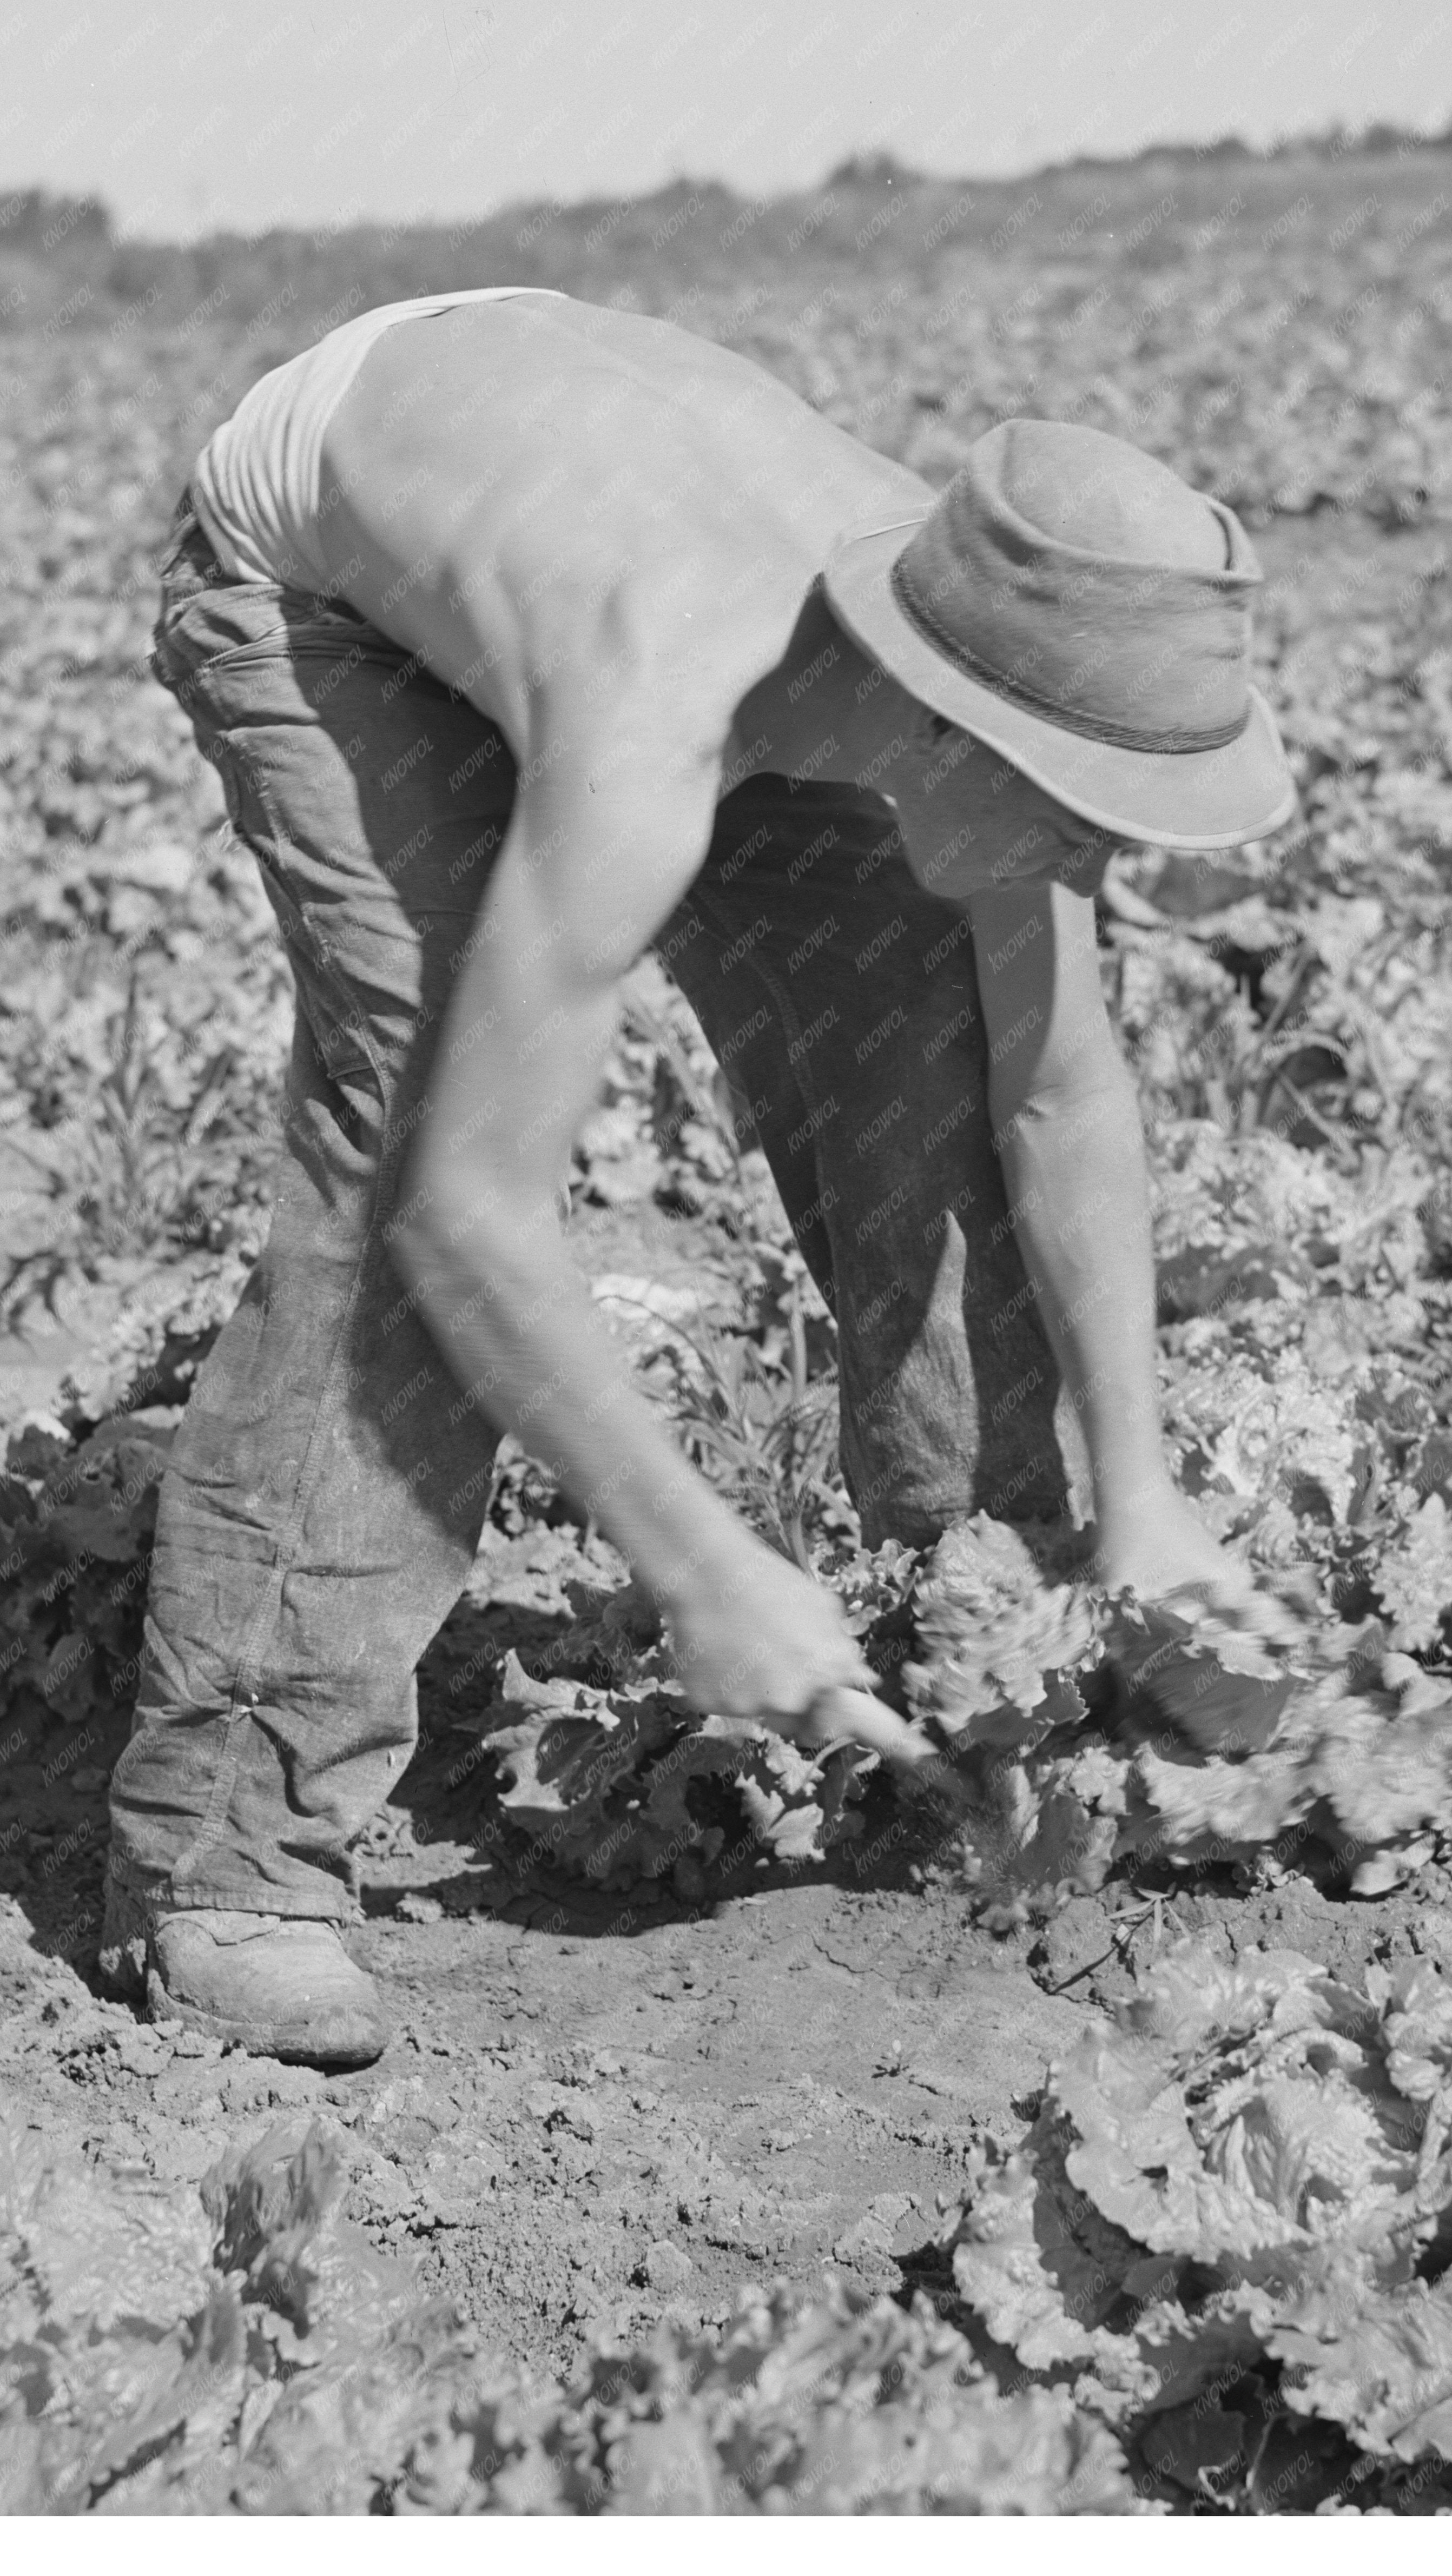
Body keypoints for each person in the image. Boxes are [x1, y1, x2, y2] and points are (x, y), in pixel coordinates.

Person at [101, 286, 1297, 2063]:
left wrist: (1144, 1494)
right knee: (417, 1103)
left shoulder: (1021, 663)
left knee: (938, 1070)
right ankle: (225, 1854)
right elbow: (470, 1203)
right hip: (331, 582)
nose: (1099, 858)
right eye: (1079, 811)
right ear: (954, 730)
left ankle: (1011, 1681)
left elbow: (1061, 1097)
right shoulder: (665, 676)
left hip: (671, 559)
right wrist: (696, 1567)